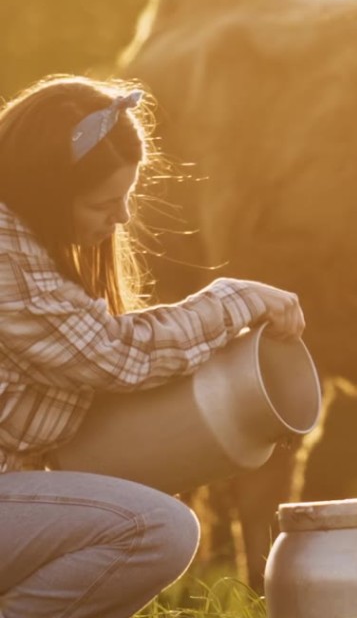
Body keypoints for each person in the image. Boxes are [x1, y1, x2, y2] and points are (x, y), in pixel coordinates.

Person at [0, 74, 306, 618]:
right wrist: (234, 299)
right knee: (154, 528)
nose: (120, 218)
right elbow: (121, 354)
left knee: (133, 511)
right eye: (103, 204)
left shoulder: (29, 255)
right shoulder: (7, 265)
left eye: (127, 199)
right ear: (47, 195)